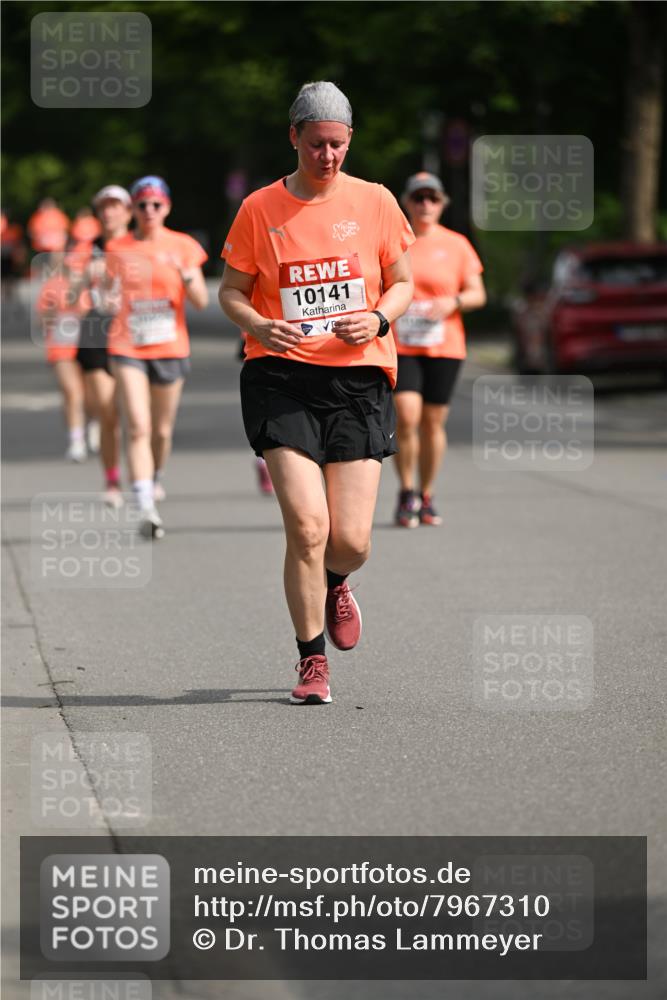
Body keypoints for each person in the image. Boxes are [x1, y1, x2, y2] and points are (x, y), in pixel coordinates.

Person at [219, 81, 414, 705]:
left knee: (351, 539)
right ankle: (310, 661)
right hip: (281, 379)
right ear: (294, 137)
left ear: (349, 141)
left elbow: (402, 281)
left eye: (338, 145)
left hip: (358, 378)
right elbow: (231, 291)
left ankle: (336, 581)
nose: (327, 157)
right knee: (307, 525)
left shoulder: (377, 201)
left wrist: (379, 318)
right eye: (316, 144)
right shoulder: (259, 209)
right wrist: (257, 324)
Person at [106, 176, 208, 538]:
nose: (149, 211)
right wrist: (108, 301)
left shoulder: (183, 246)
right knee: (138, 425)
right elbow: (106, 294)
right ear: (132, 209)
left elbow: (201, 302)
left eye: (156, 204)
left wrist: (187, 277)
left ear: (166, 207)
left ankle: (156, 474)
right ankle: (145, 504)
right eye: (142, 204)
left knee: (161, 431)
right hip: (127, 346)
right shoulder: (117, 248)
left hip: (170, 346)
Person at [393, 172, 486, 527]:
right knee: (406, 416)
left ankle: (426, 493)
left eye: (432, 198)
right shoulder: (396, 241)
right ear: (407, 202)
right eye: (419, 198)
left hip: (445, 344)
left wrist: (454, 302)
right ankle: (406, 492)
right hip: (403, 344)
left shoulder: (457, 244)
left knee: (433, 423)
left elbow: (479, 293)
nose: (425, 205)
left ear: (442, 203)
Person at [70, 185, 133, 506]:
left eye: (116, 206)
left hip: (136, 333)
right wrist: (84, 278)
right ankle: (112, 481)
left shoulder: (140, 245)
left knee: (139, 416)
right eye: (104, 206)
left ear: (128, 211)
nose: (109, 212)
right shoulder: (86, 249)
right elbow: (68, 294)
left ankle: (146, 478)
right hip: (96, 331)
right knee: (108, 413)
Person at [36, 253, 88, 461]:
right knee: (72, 392)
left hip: (89, 346)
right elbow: (41, 320)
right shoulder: (53, 285)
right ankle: (76, 440)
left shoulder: (92, 286)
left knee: (92, 396)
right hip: (61, 346)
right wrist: (56, 310)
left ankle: (93, 424)